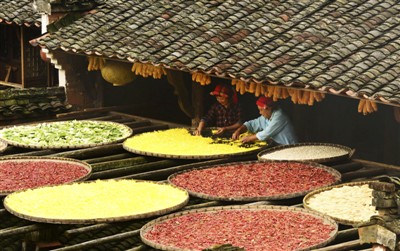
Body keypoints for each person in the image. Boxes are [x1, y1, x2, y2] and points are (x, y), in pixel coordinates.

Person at [232, 96, 298, 145]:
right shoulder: (265, 117)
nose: (260, 113)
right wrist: (239, 130)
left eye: (261, 110)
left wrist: (249, 138)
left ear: (268, 108)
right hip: (277, 146)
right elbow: (251, 124)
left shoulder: (279, 116)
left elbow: (266, 133)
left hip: (289, 147)